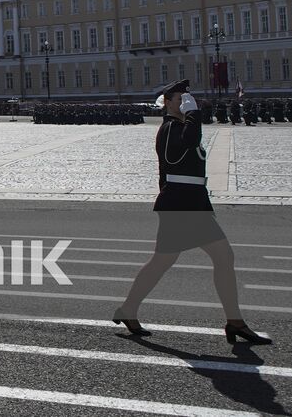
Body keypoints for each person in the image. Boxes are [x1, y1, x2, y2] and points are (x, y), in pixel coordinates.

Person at [114, 79, 272, 345]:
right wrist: (194, 114)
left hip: (191, 204)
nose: (185, 102)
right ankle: (234, 321)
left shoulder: (180, 126)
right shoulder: (169, 128)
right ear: (167, 102)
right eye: (180, 99)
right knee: (198, 258)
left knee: (186, 260)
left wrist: (191, 115)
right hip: (180, 206)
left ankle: (234, 321)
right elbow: (187, 144)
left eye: (187, 99)